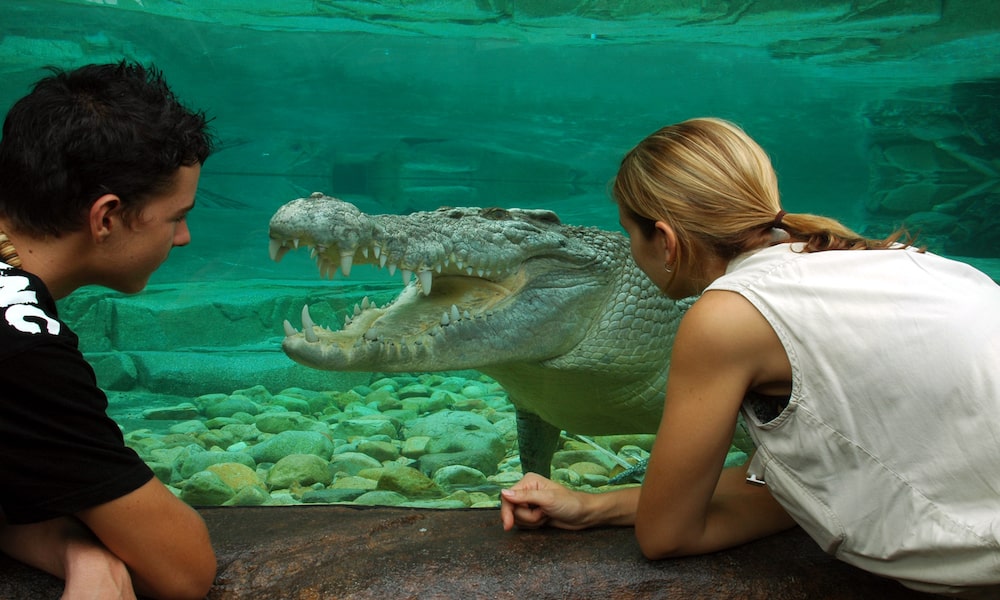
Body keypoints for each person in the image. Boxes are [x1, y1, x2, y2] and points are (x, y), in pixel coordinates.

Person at [500, 118, 1000, 598]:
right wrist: (591, 506)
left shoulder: (727, 314)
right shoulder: (914, 263)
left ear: (666, 241)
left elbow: (667, 535)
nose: (630, 249)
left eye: (629, 233)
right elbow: (799, 483)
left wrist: (611, 510)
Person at [0, 61, 216, 599]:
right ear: (106, 217)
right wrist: (95, 554)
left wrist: (76, 548)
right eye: (177, 216)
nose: (184, 237)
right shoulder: (22, 347)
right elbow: (183, 569)